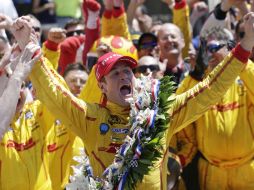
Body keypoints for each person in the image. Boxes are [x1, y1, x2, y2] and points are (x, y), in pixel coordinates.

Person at [15, 10, 254, 190]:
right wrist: (33, 48)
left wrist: (245, 47)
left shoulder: (160, 114)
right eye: (115, 74)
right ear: (102, 86)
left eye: (127, 71)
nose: (124, 76)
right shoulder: (89, 117)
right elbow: (54, 92)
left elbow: (209, 91)